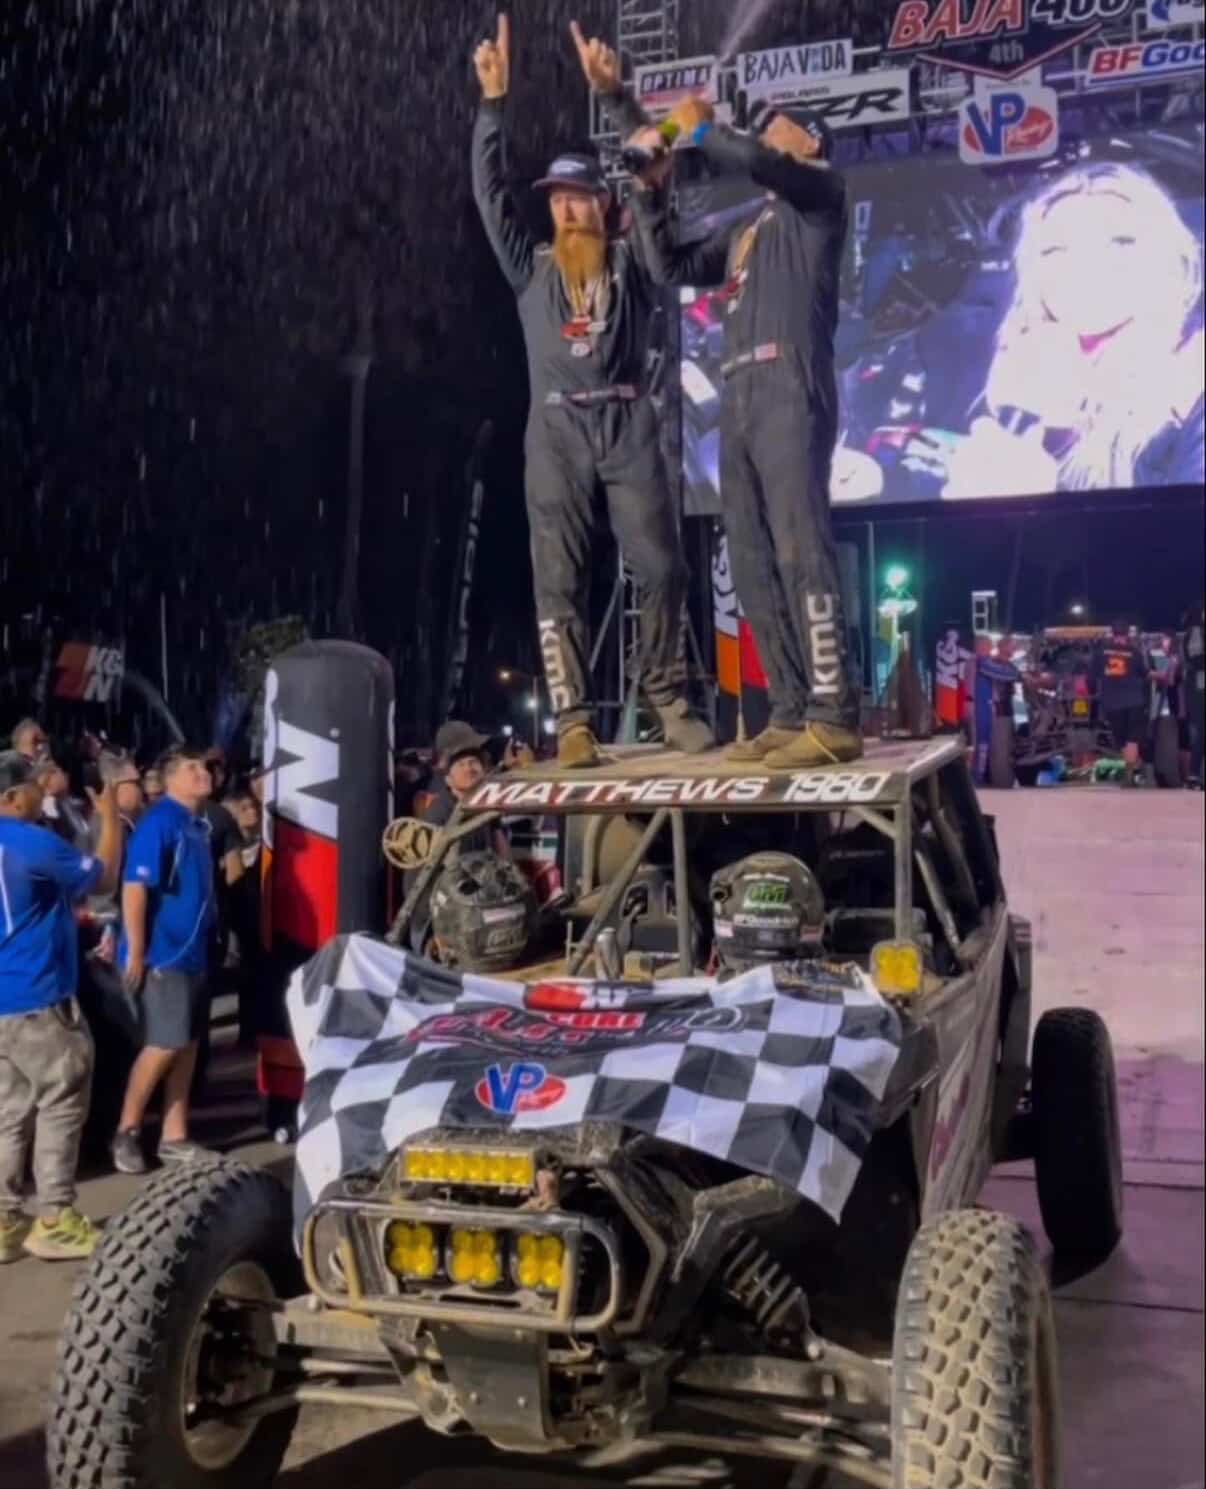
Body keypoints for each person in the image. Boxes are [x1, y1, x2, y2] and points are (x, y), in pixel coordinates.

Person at [470, 15, 713, 768]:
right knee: (558, 580)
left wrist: (614, 98)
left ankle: (669, 698)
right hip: (554, 434)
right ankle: (572, 717)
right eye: (557, 200)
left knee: (664, 565)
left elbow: (651, 177)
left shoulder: (633, 259)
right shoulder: (532, 268)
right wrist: (492, 107)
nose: (566, 210)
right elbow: (489, 196)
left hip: (627, 420)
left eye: (578, 198)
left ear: (601, 204)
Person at [613, 85, 862, 767]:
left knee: (797, 549)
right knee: (748, 560)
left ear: (810, 142)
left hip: (789, 383)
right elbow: (668, 265)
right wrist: (652, 191)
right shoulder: (752, 227)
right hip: (739, 395)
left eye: (781, 126)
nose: (768, 131)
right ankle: (789, 709)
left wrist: (701, 132)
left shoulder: (820, 196)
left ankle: (834, 712)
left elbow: (763, 163)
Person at [944, 163, 1204, 499]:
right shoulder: (1017, 366)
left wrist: (1042, 509)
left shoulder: (1192, 379)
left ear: (1166, 257)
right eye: (1056, 249)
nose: (1085, 266)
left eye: (1119, 241)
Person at [0, 752, 121, 1262]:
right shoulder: (31, 842)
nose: (42, 793)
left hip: (4, 1000)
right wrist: (110, 813)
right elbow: (104, 878)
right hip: (39, 994)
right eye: (32, 787)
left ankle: (5, 1217)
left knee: (8, 1112)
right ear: (11, 797)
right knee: (61, 1100)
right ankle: (55, 1217)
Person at [110, 746, 217, 1173]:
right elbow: (135, 889)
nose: (202, 773)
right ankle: (127, 1131)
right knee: (164, 1043)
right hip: (162, 954)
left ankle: (175, 1135)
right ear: (170, 780)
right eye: (191, 768)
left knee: (187, 1043)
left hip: (194, 952)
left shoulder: (197, 824)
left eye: (203, 766)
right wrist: (135, 951)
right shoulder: (160, 823)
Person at [1093, 621, 1151, 786]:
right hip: (1134, 701)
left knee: (1123, 740)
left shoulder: (1100, 653)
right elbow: (1144, 674)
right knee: (1132, 738)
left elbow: (1091, 678)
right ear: (1127, 635)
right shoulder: (1135, 653)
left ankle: (1130, 770)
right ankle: (1129, 774)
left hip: (1112, 703)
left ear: (1112, 634)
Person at [1182, 604, 1205, 788]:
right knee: (1200, 733)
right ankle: (1195, 775)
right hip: (1199, 689)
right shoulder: (1196, 631)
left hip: (1197, 689)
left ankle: (1195, 774)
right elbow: (1196, 659)